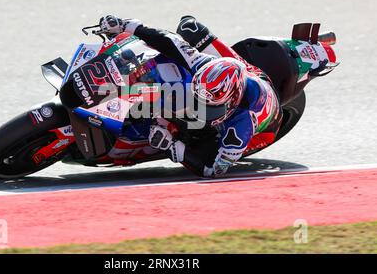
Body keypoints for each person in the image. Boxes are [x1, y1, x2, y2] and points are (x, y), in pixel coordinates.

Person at [98, 15, 282, 178]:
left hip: (266, 129)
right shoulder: (204, 64)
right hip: (245, 73)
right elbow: (172, 42)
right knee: (189, 27)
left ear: (231, 102)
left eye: (210, 107)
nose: (200, 109)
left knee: (201, 142)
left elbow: (214, 170)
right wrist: (128, 27)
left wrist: (172, 146)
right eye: (199, 101)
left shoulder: (242, 127)